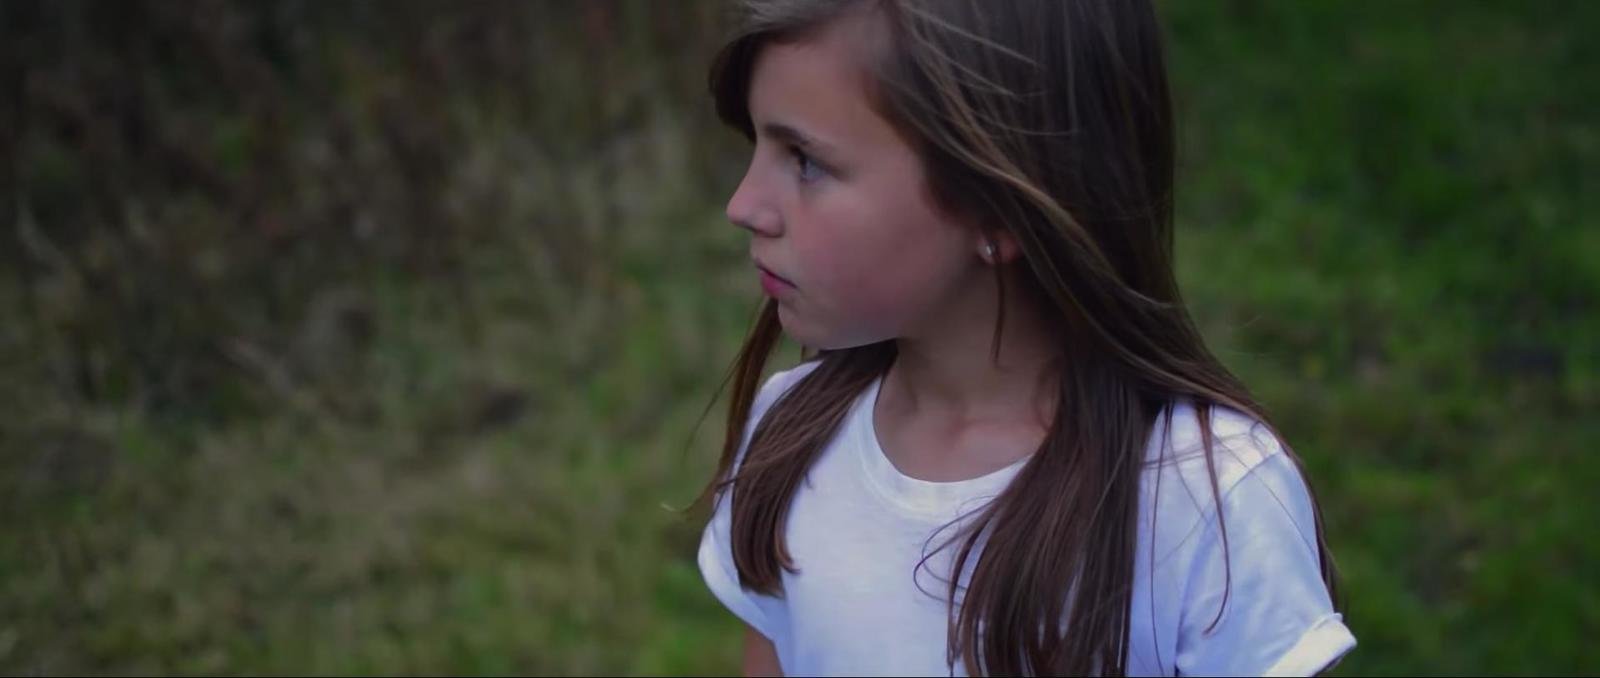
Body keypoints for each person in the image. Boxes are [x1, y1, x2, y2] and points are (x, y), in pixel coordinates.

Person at [690, 1, 1355, 675]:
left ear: (998, 207)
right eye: (758, 145)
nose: (743, 206)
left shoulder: (1206, 502)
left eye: (805, 162)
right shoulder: (790, 439)